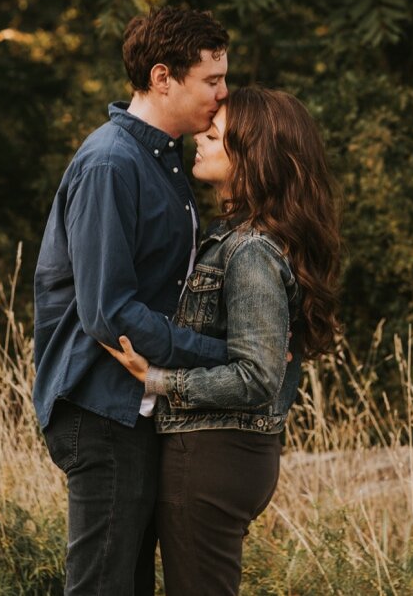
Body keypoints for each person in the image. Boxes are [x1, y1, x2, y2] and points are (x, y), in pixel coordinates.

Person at [103, 87, 342, 596]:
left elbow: (257, 376)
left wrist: (158, 379)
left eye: (218, 133)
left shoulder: (249, 250)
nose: (202, 137)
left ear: (255, 155)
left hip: (213, 452)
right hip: (225, 451)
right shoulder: (236, 239)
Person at [33, 7, 232, 596]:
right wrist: (218, 355)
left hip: (135, 407)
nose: (223, 95)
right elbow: (107, 312)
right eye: (213, 80)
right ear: (163, 76)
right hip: (101, 406)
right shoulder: (110, 164)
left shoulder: (165, 159)